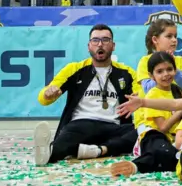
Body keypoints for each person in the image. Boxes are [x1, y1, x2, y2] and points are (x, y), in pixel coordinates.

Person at [33, 24, 139, 166]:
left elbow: (141, 98)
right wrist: (47, 94)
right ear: (89, 46)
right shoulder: (74, 69)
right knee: (65, 138)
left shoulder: (127, 73)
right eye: (95, 40)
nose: (100, 44)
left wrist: (138, 101)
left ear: (113, 46)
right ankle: (50, 152)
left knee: (141, 132)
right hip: (82, 124)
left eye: (105, 40)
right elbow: (43, 99)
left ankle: (96, 150)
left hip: (113, 126)